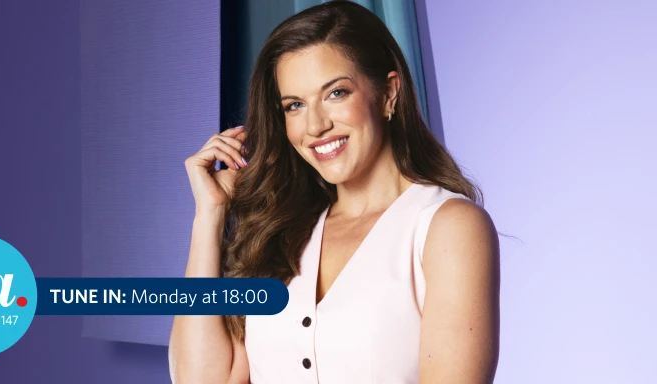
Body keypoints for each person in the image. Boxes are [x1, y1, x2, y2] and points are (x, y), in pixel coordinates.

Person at [169, 1, 500, 383]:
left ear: (389, 92)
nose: (315, 125)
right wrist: (210, 214)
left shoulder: (446, 228)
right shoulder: (283, 234)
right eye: (294, 105)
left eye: (336, 93)